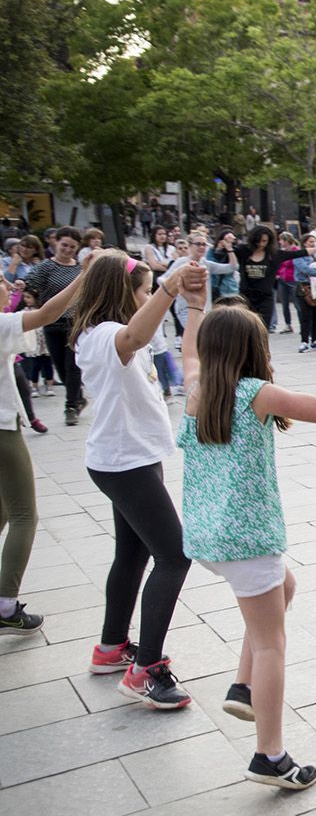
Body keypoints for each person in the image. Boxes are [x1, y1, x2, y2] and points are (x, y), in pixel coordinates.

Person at [177, 286, 316, 789]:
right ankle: (270, 755)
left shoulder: (196, 390)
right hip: (248, 541)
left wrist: (196, 306)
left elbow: (188, 352)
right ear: (252, 350)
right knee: (271, 646)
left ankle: (243, 687)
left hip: (209, 539)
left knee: (284, 587)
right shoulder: (253, 394)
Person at [71, 251, 200, 708]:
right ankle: (146, 669)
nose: (148, 297)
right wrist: (169, 287)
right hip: (124, 463)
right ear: (123, 293)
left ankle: (110, 648)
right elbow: (135, 333)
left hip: (131, 458)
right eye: (143, 290)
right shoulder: (106, 335)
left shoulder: (112, 333)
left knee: (132, 554)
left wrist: (192, 300)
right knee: (174, 556)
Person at [0, 267, 83, 634]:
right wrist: (85, 276)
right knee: (24, 516)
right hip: (1, 430)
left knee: (2, 511)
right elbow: (48, 315)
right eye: (0, 281)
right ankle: (5, 606)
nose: (8, 285)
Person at [25, 226, 86, 425]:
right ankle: (78, 397)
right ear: (56, 243)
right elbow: (29, 285)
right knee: (60, 367)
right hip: (51, 322)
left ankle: (71, 406)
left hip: (74, 323)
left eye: (72, 247)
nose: (68, 250)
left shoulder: (80, 269)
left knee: (73, 366)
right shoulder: (46, 267)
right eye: (64, 245)